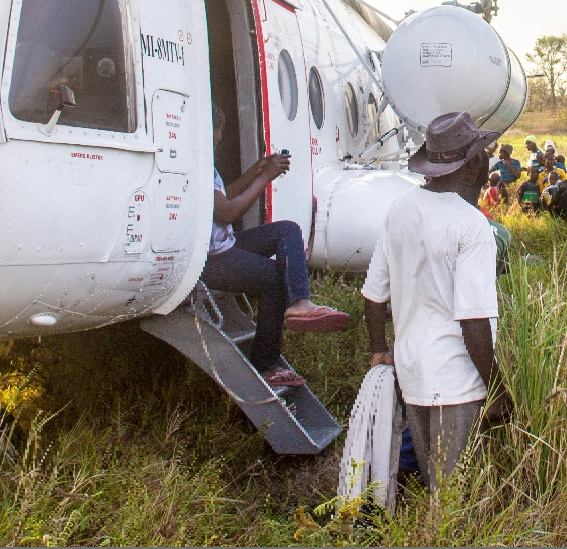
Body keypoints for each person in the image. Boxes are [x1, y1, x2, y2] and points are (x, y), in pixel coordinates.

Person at [363, 112, 512, 492]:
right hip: (456, 381)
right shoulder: (471, 224)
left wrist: (380, 348)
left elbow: (374, 294)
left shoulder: (399, 209)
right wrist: (496, 387)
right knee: (456, 497)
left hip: (412, 373)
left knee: (435, 485)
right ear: (474, 163)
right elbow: (474, 321)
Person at [206, 117, 350, 390]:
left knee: (287, 231)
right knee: (274, 278)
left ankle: (300, 304)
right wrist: (265, 177)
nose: (219, 138)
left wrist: (253, 171)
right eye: (217, 129)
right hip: (209, 258)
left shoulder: (202, 161)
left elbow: (221, 198)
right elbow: (227, 213)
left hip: (222, 244)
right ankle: (266, 363)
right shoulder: (197, 163)